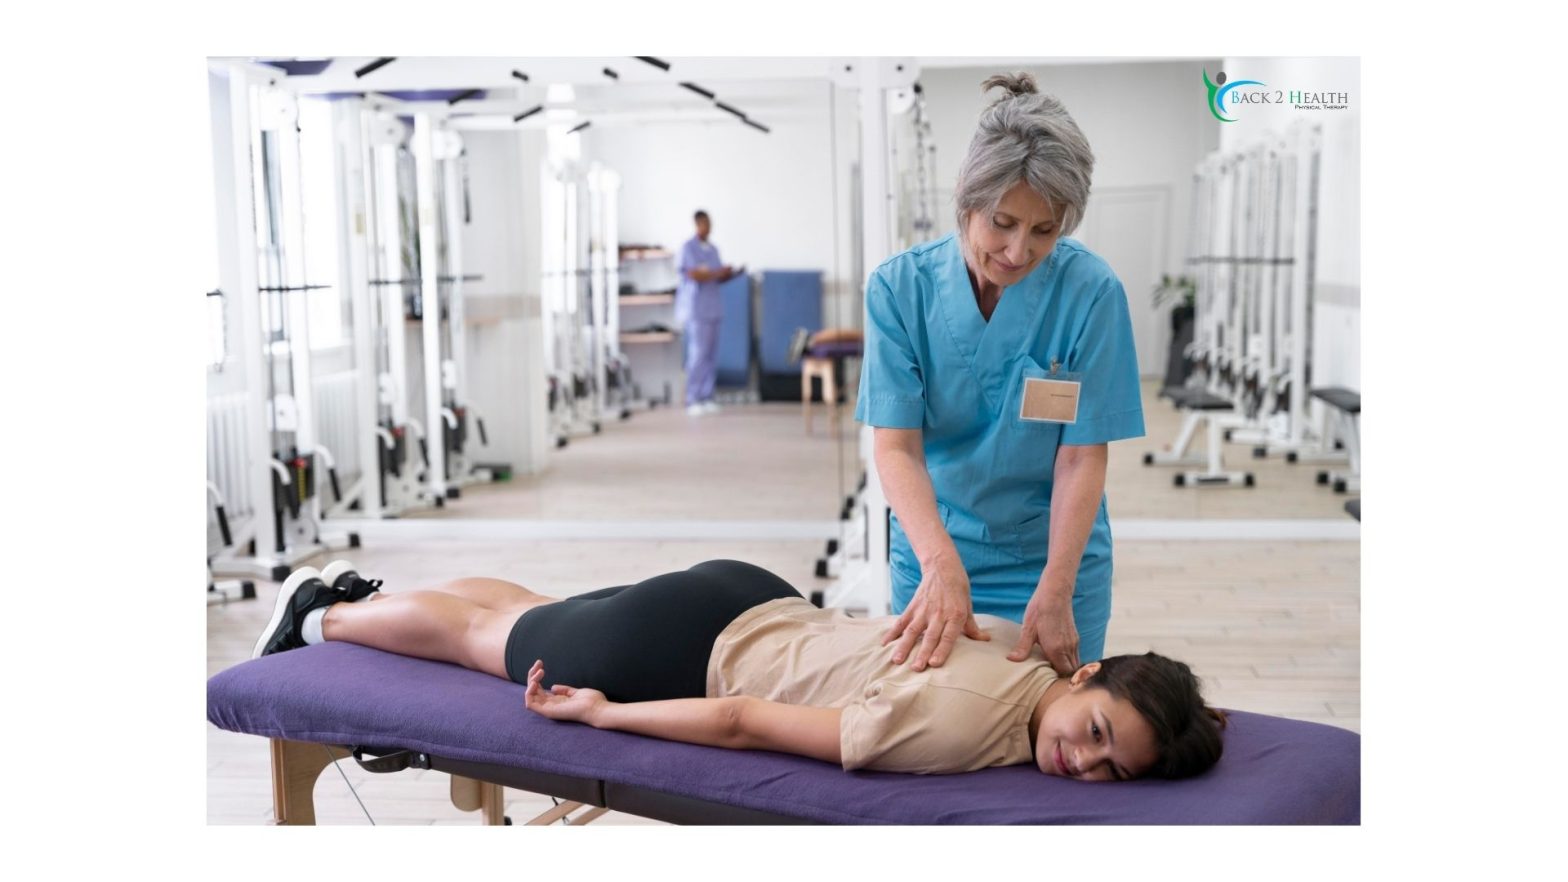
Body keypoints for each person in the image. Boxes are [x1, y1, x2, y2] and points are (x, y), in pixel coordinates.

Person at [254, 558, 1226, 779]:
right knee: (482, 644)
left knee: (513, 614)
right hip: (693, 652)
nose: (1081, 763)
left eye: (1110, 769)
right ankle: (323, 615)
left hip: (748, 594)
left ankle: (364, 595)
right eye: (1094, 731)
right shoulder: (967, 731)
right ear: (1088, 679)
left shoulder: (1028, 654)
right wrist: (601, 716)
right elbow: (744, 722)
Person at [854, 73, 1145, 680]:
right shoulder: (899, 289)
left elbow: (1081, 457)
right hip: (937, 549)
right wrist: (939, 562)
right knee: (929, 724)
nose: (1018, 251)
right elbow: (896, 447)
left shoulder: (1090, 292)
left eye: (1044, 230)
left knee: (1056, 728)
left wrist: (1058, 583)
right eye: (1003, 223)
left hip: (1053, 558)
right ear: (966, 200)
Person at [675, 210, 742, 417]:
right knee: (698, 354)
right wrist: (716, 272)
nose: (707, 228)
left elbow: (715, 277)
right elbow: (692, 273)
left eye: (710, 224)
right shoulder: (688, 248)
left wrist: (729, 274)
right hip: (697, 308)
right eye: (704, 224)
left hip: (713, 307)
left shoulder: (713, 250)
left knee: (711, 354)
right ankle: (692, 398)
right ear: (697, 225)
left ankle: (707, 396)